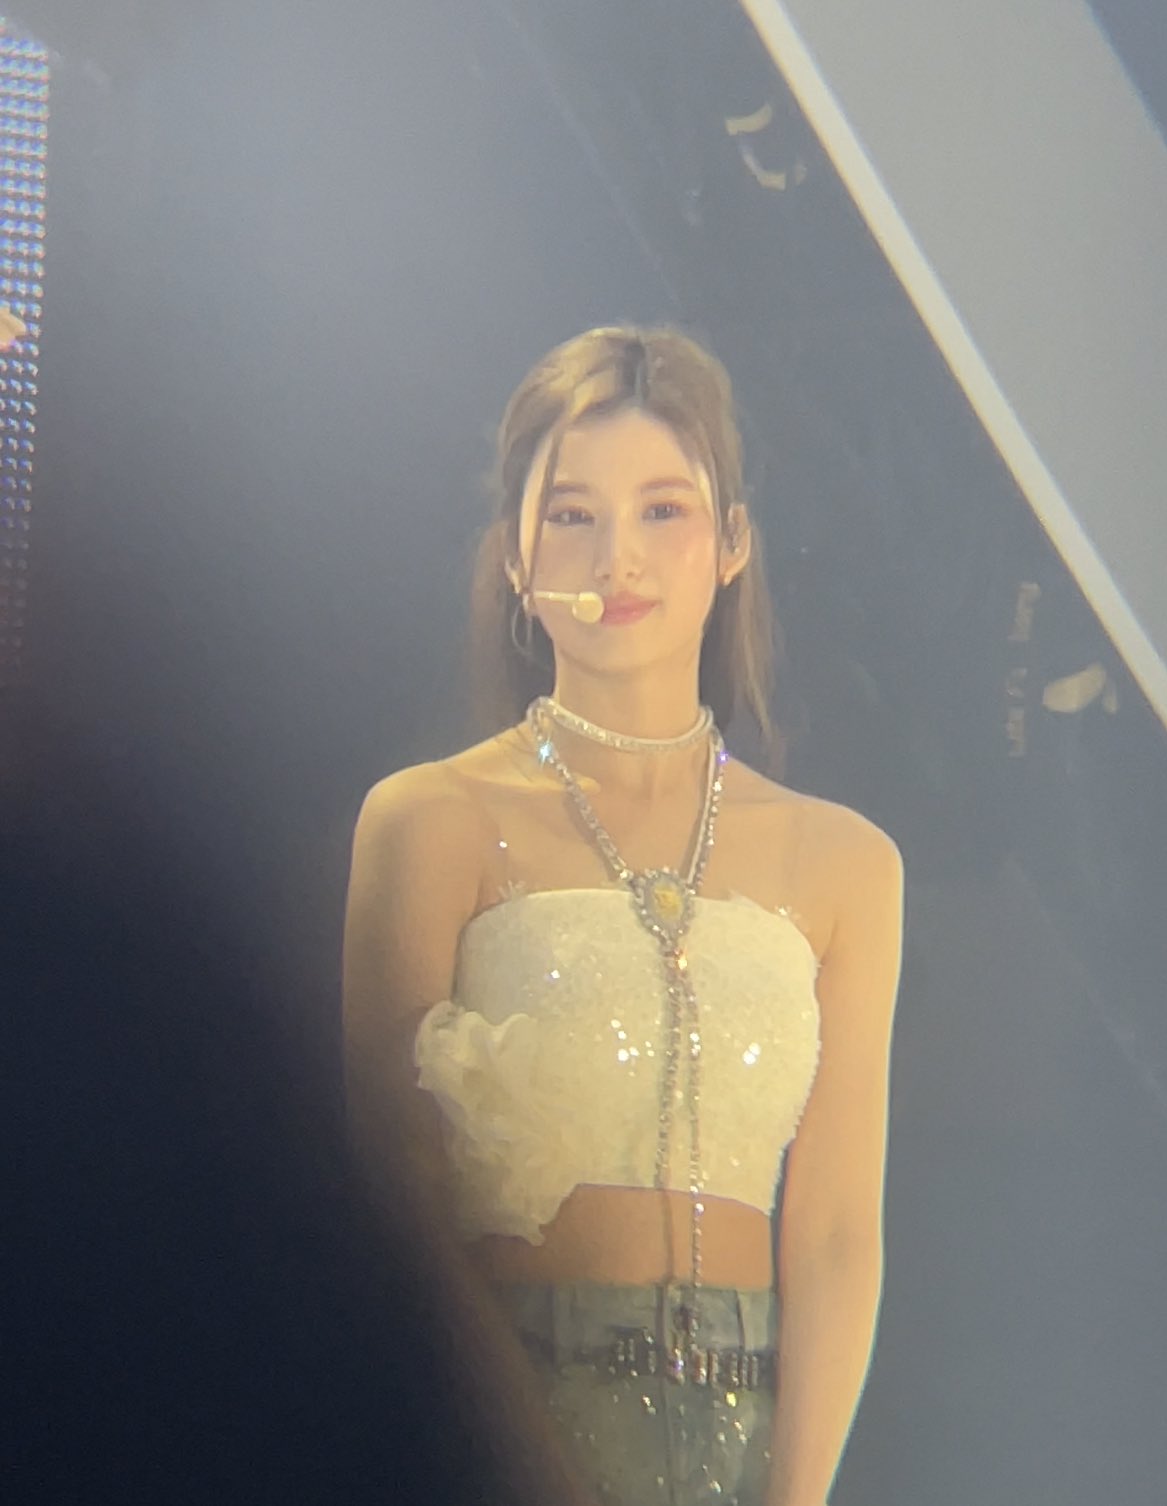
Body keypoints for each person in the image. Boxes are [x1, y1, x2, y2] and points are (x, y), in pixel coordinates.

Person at [343, 324, 904, 1506]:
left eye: (661, 509)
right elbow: (395, 1198)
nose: (617, 558)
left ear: (731, 542)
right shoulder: (429, 821)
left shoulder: (846, 865)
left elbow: (835, 1232)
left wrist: (795, 1496)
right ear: (513, 556)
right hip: (496, 1416)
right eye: (570, 515)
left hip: (745, 1436)